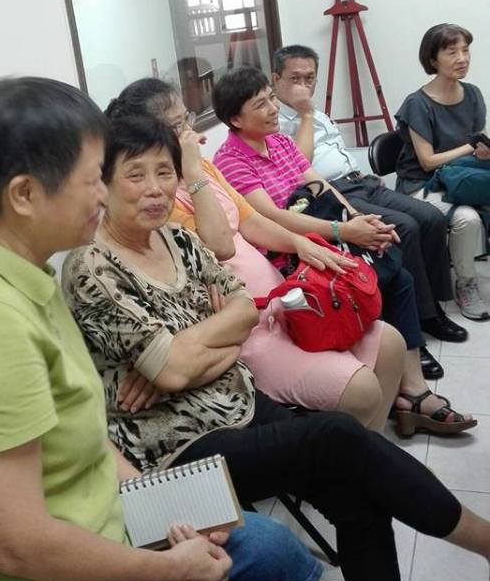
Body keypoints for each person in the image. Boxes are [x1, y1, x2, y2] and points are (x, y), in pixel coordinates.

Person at [60, 112, 490, 581]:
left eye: (165, 171)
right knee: (339, 437)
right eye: (136, 175)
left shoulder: (179, 239)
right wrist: (197, 350)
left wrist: (191, 352)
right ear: (103, 184)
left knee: (352, 483)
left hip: (240, 400)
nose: (155, 188)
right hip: (175, 445)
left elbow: (242, 312)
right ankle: (483, 539)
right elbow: (176, 368)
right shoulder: (92, 266)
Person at [0, 76, 326, 581]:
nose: (105, 195)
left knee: (273, 547)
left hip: (112, 512)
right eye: (92, 180)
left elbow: (93, 441)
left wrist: (161, 506)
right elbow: (15, 545)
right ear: (24, 195)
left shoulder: (33, 278)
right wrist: (169, 569)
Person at [104, 78, 405, 433]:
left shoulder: (205, 171)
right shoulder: (161, 198)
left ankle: (368, 450)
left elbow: (251, 221)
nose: (190, 132)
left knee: (390, 345)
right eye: (179, 124)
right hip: (246, 325)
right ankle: (348, 454)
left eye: (187, 119)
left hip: (283, 301)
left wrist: (301, 243)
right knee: (361, 390)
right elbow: (221, 245)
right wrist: (192, 172)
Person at [212, 66, 475, 434]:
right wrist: (342, 230)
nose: (273, 109)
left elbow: (319, 184)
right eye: (261, 104)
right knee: (361, 280)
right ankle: (392, 385)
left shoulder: (281, 142)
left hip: (319, 235)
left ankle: (410, 386)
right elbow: (271, 217)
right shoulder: (229, 161)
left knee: (396, 272)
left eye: (271, 99)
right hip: (288, 253)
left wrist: (357, 219)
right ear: (236, 119)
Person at [271, 43, 467, 367]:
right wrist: (304, 114)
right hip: (332, 195)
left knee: (431, 217)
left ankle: (433, 309)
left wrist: (311, 114)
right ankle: (414, 327)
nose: (304, 86)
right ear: (276, 79)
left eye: (310, 78)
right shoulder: (275, 120)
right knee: (404, 228)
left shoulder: (317, 112)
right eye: (295, 78)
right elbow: (297, 166)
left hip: (362, 182)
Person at [396, 23, 490, 321]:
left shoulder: (472, 94)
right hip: (422, 184)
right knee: (467, 218)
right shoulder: (417, 103)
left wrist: (482, 149)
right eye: (452, 52)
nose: (462, 58)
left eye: (466, 50)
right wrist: (470, 147)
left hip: (460, 177)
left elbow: (476, 145)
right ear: (433, 60)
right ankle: (466, 284)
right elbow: (427, 161)